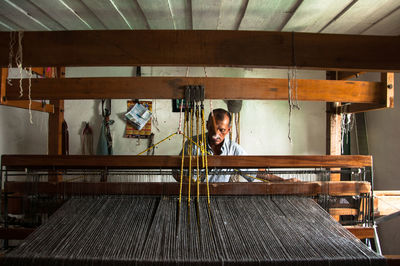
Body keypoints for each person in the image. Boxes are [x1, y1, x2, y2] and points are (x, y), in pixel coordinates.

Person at [176, 108, 298, 182]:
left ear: (228, 130)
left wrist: (284, 181)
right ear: (207, 125)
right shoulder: (192, 145)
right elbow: (176, 171)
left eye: (221, 130)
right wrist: (189, 184)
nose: (215, 134)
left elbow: (254, 172)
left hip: (220, 198)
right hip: (193, 197)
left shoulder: (234, 150)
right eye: (212, 128)